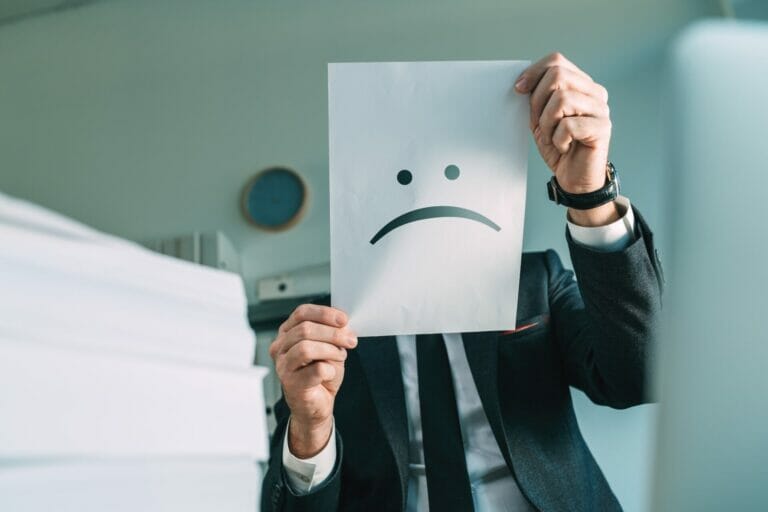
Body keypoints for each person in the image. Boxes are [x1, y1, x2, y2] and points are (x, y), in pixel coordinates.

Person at [261, 53, 664, 512]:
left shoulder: (534, 283)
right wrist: (311, 430)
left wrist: (591, 196)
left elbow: (642, 376)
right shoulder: (324, 333)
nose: (426, 193)